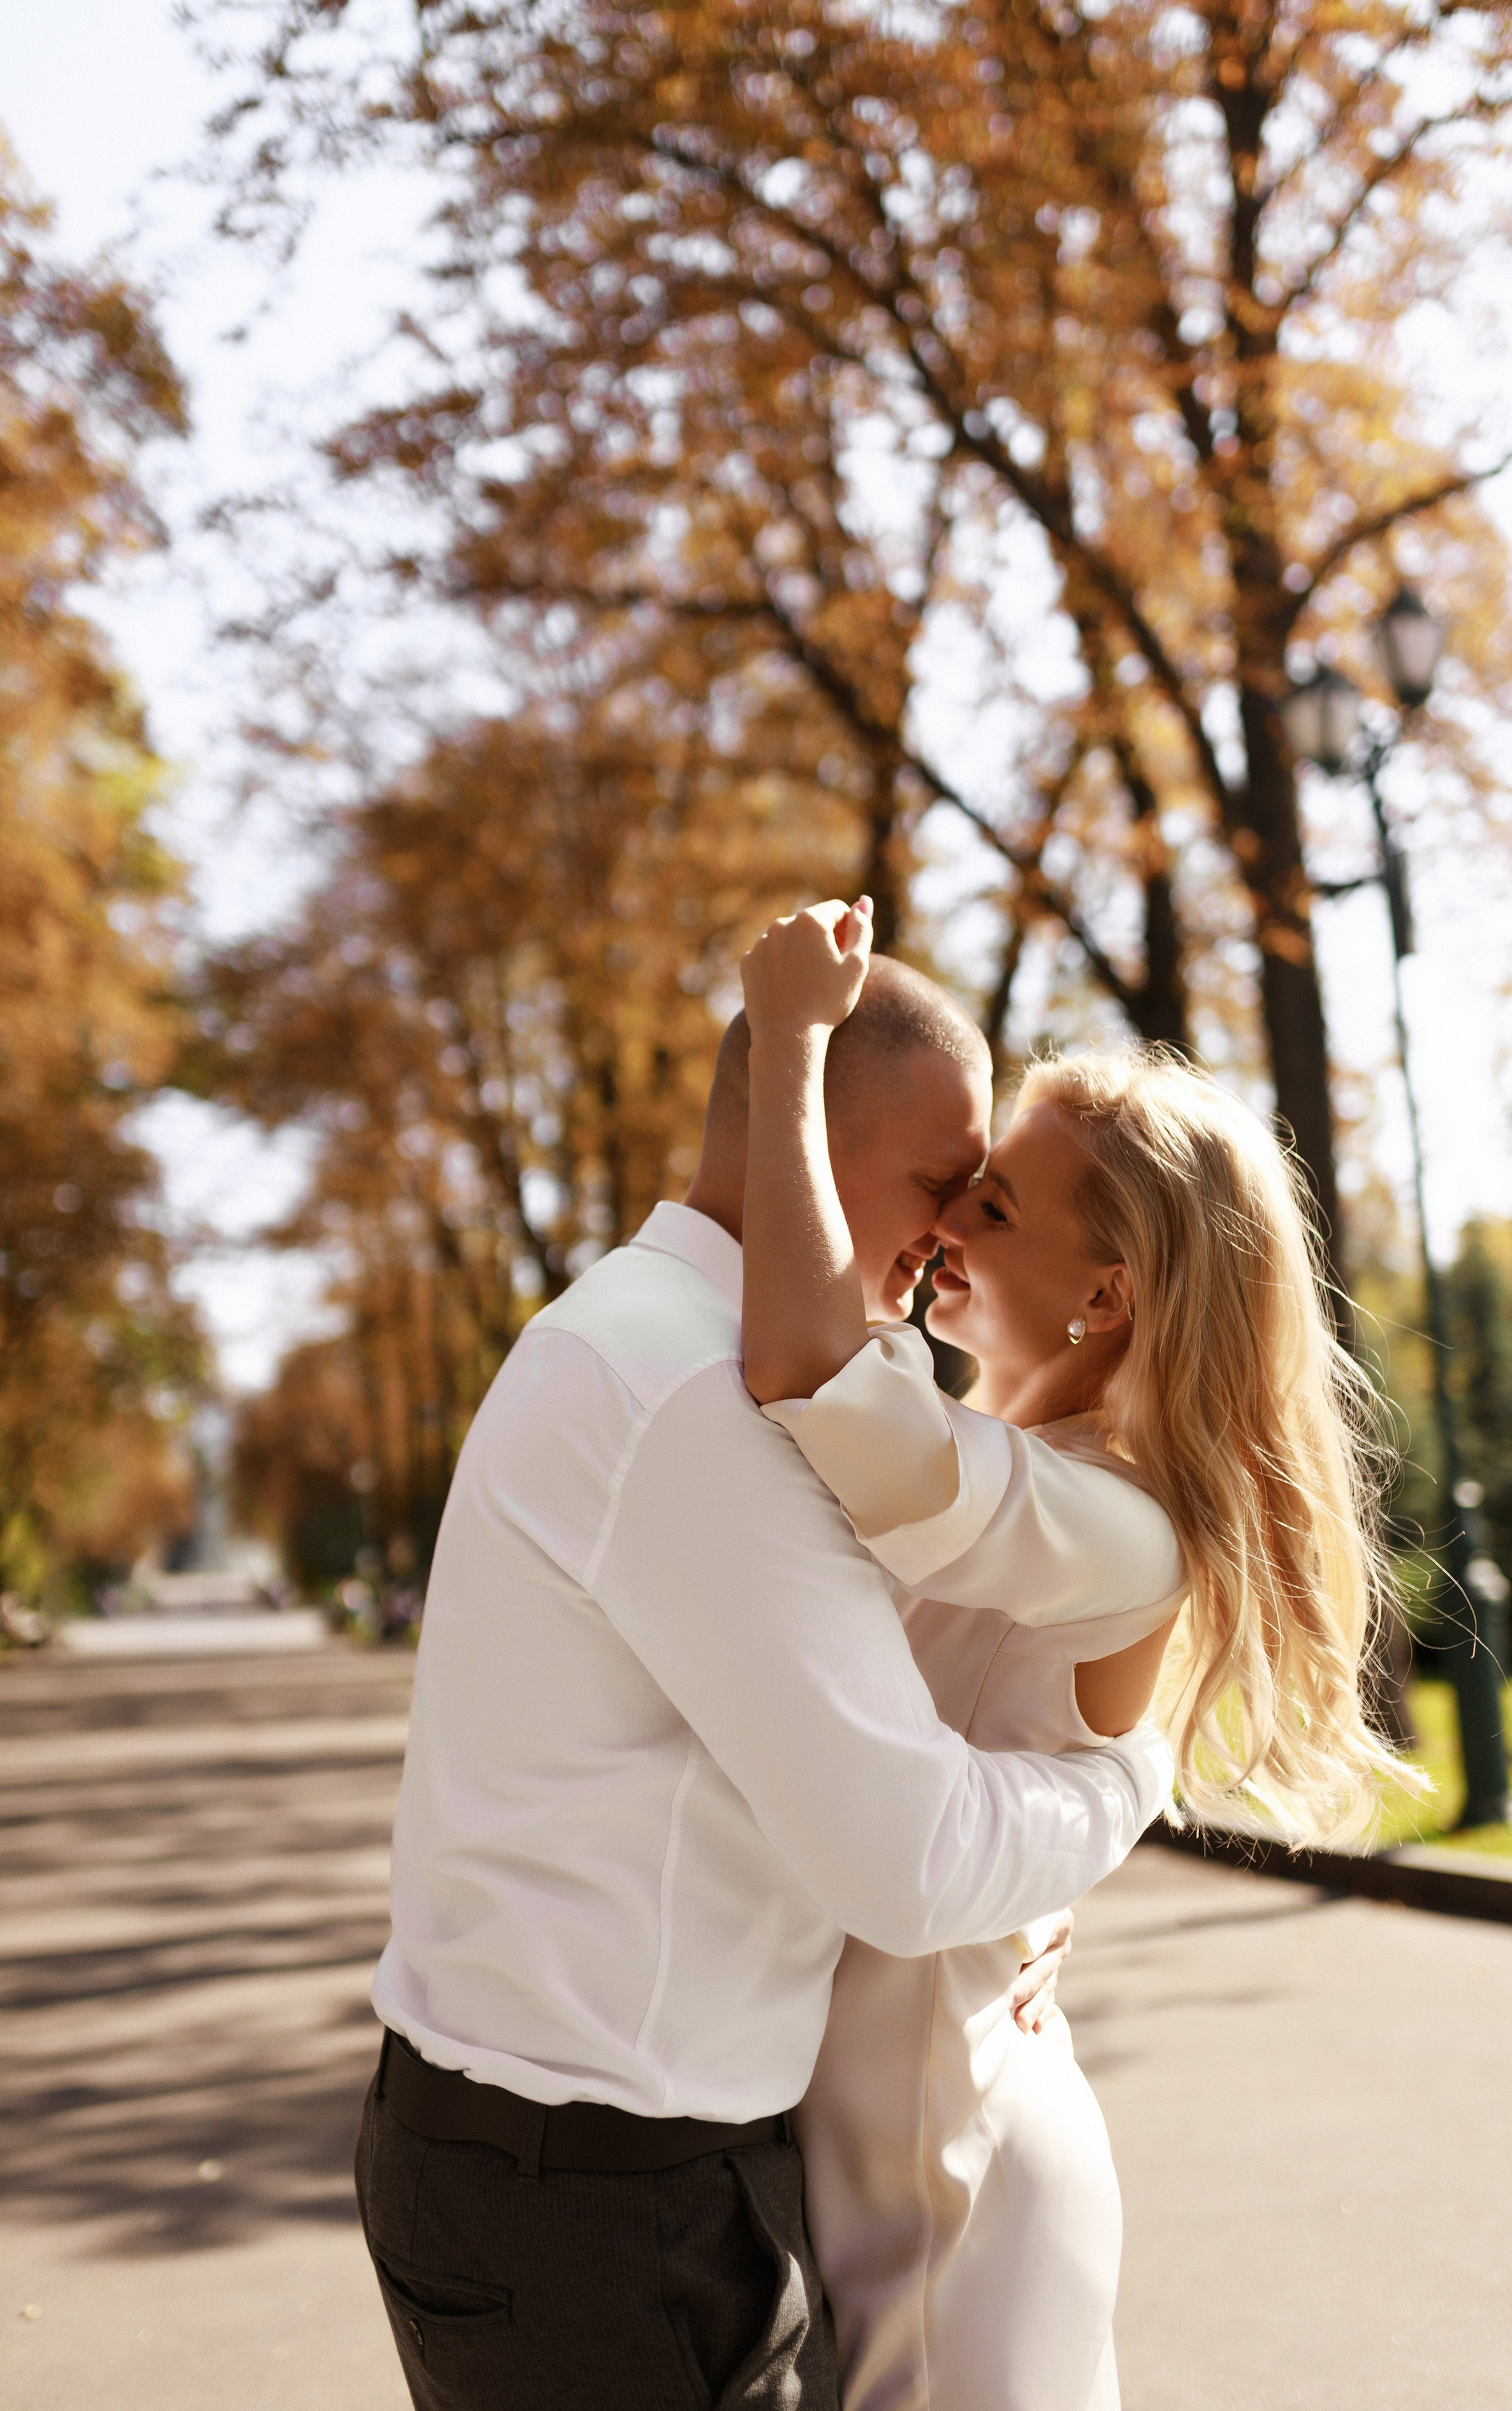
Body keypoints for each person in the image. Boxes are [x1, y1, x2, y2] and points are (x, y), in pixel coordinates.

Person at [353, 934, 1176, 2411]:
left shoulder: (638, 1335)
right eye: (942, 1186)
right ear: (802, 1132)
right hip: (603, 2204)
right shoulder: (697, 1398)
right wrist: (1120, 1787)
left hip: (595, 2169)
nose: (946, 1242)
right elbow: (910, 1864)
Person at [737, 898, 1421, 2411]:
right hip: (895, 2134)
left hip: (951, 2174)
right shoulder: (1010, 1452)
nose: (939, 1226)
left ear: (1105, 1296)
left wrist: (787, 1045)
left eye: (987, 1208)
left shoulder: (1114, 1520)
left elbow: (797, 1369)